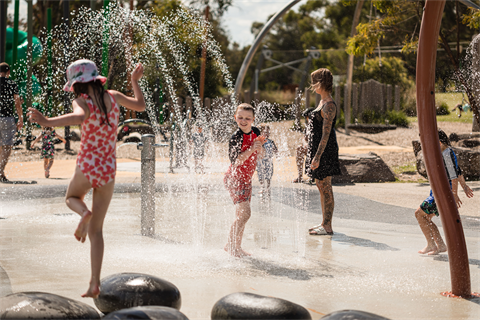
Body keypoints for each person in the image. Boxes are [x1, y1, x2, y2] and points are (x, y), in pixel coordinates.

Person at [28, 59, 146, 298]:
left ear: (77, 85)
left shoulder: (82, 101)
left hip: (88, 164)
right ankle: (94, 283)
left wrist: (47, 122)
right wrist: (134, 81)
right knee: (97, 231)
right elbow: (141, 106)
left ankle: (83, 212)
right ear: (96, 78)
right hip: (108, 169)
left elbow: (80, 117)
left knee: (71, 197)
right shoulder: (113, 96)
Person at [415, 129, 474, 255]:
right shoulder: (448, 152)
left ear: (440, 143)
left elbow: (453, 176)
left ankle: (432, 245)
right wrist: (464, 186)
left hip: (442, 193)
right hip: (439, 192)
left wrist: (454, 194)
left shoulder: (446, 153)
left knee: (419, 214)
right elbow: (458, 171)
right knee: (426, 217)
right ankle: (440, 245)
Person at [224, 103, 265, 257]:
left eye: (247, 118)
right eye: (240, 117)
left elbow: (260, 154)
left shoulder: (255, 132)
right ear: (235, 118)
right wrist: (252, 149)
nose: (243, 120)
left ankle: (237, 247)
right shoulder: (235, 138)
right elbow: (236, 161)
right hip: (234, 179)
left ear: (253, 119)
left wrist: (259, 148)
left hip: (246, 180)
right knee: (245, 214)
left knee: (240, 216)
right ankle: (230, 244)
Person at [306, 68, 341, 236]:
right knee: (320, 186)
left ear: (320, 83)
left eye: (314, 82)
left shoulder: (329, 105)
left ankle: (327, 226)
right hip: (317, 149)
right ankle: (323, 223)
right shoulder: (321, 103)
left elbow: (326, 134)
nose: (312, 86)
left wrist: (317, 157)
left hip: (325, 151)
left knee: (326, 187)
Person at [0, 62, 23, 183]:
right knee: (7, 145)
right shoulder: (12, 84)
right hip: (7, 118)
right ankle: (1, 170)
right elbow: (17, 102)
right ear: (8, 72)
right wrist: (20, 118)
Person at [292, 107, 315, 183]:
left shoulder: (318, 126)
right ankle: (300, 176)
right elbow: (304, 138)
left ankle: (313, 175)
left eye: (308, 117)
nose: (307, 119)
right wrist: (305, 144)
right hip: (309, 147)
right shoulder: (308, 126)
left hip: (317, 149)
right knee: (299, 149)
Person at [256, 123, 277, 198]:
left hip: (269, 161)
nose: (267, 133)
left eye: (268, 132)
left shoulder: (271, 142)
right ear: (260, 133)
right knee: (260, 175)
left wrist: (277, 155)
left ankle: (268, 188)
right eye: (265, 132)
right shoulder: (258, 142)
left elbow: (275, 150)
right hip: (260, 162)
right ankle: (262, 187)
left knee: (269, 175)